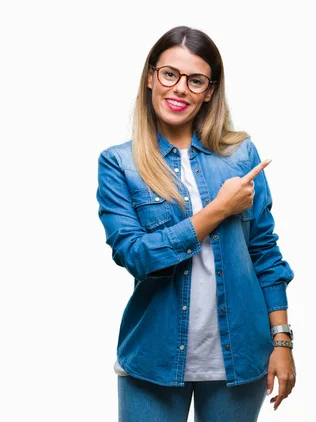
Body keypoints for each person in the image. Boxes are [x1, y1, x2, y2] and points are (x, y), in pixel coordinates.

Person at [96, 25, 296, 421]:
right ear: (151, 75)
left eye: (196, 80)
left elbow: (264, 252)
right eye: (170, 74)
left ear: (209, 90)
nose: (180, 88)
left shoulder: (239, 155)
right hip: (152, 359)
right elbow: (135, 255)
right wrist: (217, 211)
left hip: (240, 357)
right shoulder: (120, 164)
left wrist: (282, 341)